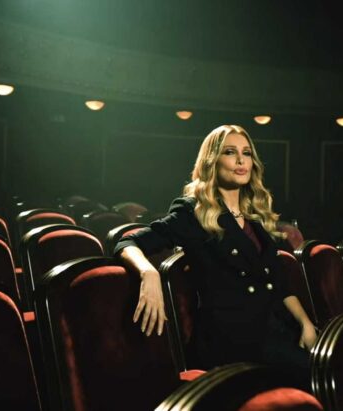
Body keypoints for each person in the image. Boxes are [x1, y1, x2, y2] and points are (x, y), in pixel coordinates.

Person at [114, 124, 317, 388]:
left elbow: (278, 282)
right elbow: (127, 241)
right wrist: (148, 272)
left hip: (275, 330)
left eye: (246, 153)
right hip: (230, 342)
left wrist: (305, 323)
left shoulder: (254, 215)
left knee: (334, 368)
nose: (241, 160)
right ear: (212, 161)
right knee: (319, 379)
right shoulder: (193, 212)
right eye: (230, 152)